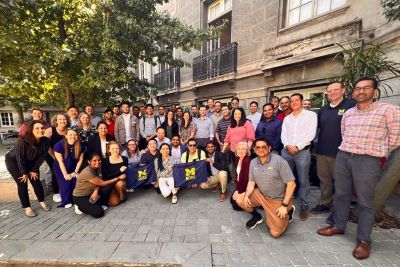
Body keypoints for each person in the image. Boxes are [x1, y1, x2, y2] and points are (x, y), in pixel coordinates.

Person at [317, 77, 400, 260]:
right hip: (344, 156)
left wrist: (377, 152)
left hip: (368, 160)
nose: (361, 91)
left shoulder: (389, 110)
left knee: (365, 202)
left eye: (366, 88)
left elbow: (395, 139)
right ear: (353, 92)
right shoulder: (349, 113)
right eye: (358, 88)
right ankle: (339, 225)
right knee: (341, 194)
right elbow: (344, 133)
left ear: (375, 91)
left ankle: (364, 240)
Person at [235, 138, 296, 238]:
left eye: (264, 147)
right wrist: (246, 195)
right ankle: (257, 217)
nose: (261, 149)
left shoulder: (279, 161)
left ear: (269, 148)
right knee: (240, 199)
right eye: (258, 147)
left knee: (275, 233)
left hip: (278, 200)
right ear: (254, 149)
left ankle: (288, 209)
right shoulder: (253, 162)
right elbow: (251, 182)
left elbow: (291, 184)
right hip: (261, 195)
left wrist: (284, 206)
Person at [311, 82, 355, 219]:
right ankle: (325, 202)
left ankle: (339, 210)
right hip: (323, 150)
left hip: (341, 152)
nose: (332, 93)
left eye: (335, 90)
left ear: (343, 90)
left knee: (341, 182)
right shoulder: (324, 109)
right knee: (324, 179)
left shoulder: (351, 106)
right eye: (329, 91)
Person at [281, 93, 317, 221]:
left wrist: (297, 147)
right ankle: (286, 202)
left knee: (303, 180)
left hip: (302, 152)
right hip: (286, 151)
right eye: (292, 101)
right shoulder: (287, 118)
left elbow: (311, 134)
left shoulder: (311, 115)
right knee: (286, 179)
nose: (294, 102)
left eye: (297, 100)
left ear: (302, 101)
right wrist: (288, 146)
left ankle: (304, 206)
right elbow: (283, 135)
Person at [5, 121, 51, 217]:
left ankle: (42, 202)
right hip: (14, 161)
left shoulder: (46, 141)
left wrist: (34, 169)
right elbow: (19, 158)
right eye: (37, 128)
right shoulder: (23, 140)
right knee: (22, 183)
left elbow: (42, 157)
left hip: (31, 161)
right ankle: (27, 207)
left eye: (42, 128)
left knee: (35, 180)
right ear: (31, 130)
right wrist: (23, 172)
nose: (40, 130)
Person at [73, 153, 125, 218]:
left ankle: (93, 203)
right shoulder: (87, 172)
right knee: (99, 213)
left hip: (91, 192)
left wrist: (96, 192)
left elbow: (99, 181)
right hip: (80, 196)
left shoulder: (99, 167)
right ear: (89, 162)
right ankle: (80, 207)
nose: (97, 162)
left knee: (108, 186)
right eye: (94, 161)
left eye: (99, 160)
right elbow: (102, 183)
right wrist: (118, 178)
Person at [53, 129, 85, 208]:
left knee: (75, 183)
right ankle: (66, 201)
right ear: (66, 135)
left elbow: (80, 160)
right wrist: (65, 174)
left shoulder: (81, 145)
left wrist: (75, 172)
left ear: (77, 136)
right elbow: (60, 162)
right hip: (61, 168)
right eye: (70, 135)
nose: (73, 137)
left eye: (75, 135)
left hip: (74, 167)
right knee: (66, 184)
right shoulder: (59, 145)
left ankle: (76, 199)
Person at [44, 113, 69, 203]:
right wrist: (55, 158)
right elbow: (46, 146)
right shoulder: (50, 130)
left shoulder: (67, 131)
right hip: (51, 154)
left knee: (65, 170)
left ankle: (64, 189)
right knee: (55, 171)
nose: (63, 121)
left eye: (64, 119)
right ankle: (56, 193)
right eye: (60, 119)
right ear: (56, 121)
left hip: (63, 155)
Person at [102, 141, 128, 206]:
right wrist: (119, 171)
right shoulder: (105, 160)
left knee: (120, 184)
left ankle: (122, 196)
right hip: (110, 183)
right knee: (114, 203)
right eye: (113, 149)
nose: (115, 150)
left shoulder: (124, 159)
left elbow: (125, 173)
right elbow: (106, 176)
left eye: (117, 148)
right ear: (109, 150)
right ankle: (116, 193)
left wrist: (124, 175)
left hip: (121, 183)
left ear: (119, 149)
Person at [230, 142, 251, 211]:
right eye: (238, 149)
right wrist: (237, 190)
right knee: (232, 200)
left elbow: (246, 179)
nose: (240, 151)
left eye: (243, 149)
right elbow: (238, 177)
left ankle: (253, 204)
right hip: (241, 184)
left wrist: (239, 191)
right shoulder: (238, 159)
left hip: (248, 186)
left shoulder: (247, 160)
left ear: (247, 150)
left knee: (236, 206)